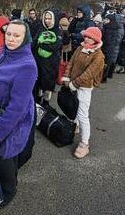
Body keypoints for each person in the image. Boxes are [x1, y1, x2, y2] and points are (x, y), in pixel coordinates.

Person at [0, 20, 37, 207]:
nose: (11, 39)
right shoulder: (6, 52)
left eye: (16, 35)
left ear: (25, 37)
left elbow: (17, 107)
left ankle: (9, 190)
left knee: (7, 155)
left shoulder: (27, 65)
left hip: (12, 119)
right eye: (9, 34)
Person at [62, 27, 105, 159]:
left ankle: (84, 143)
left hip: (84, 88)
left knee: (82, 115)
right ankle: (76, 126)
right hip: (72, 83)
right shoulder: (81, 48)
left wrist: (74, 84)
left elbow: (89, 74)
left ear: (96, 40)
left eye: (90, 37)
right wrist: (66, 77)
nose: (86, 39)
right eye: (86, 36)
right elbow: (71, 63)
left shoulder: (99, 56)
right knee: (74, 108)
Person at [33, 8, 62, 105]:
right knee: (38, 83)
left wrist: (41, 44)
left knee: (48, 84)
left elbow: (55, 46)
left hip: (51, 63)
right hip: (39, 62)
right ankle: (37, 103)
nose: (47, 21)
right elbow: (34, 43)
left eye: (49, 19)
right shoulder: (41, 29)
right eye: (46, 18)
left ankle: (46, 104)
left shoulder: (58, 31)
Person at [102, 12, 124, 81]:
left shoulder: (114, 29)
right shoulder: (115, 28)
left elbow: (111, 39)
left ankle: (104, 77)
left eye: (107, 19)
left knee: (107, 62)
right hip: (113, 47)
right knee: (111, 61)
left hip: (110, 47)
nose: (106, 21)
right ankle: (109, 75)